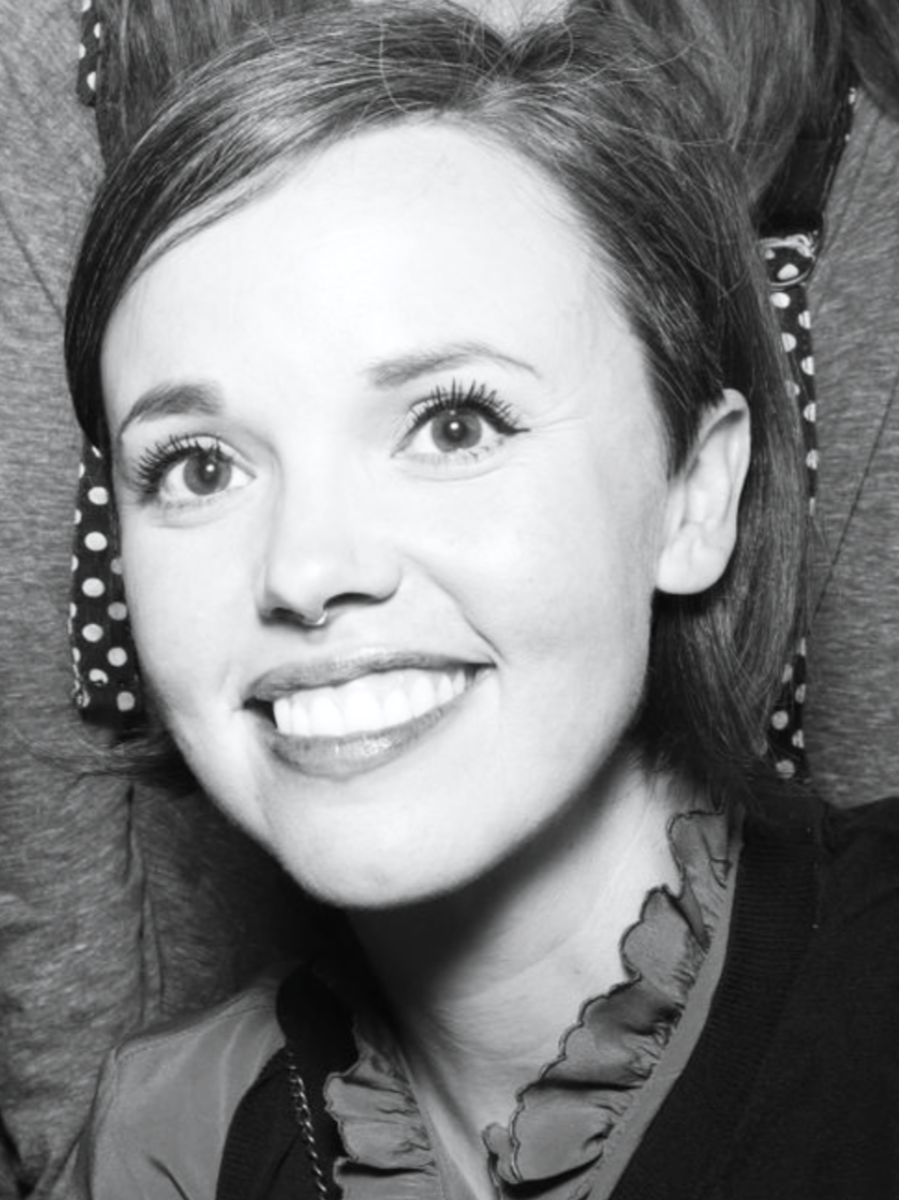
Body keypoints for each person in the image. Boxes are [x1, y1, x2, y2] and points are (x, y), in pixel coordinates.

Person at [61, 5, 900, 1198]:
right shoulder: (166, 1145)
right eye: (198, 466)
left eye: (453, 424)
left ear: (696, 492)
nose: (304, 567)